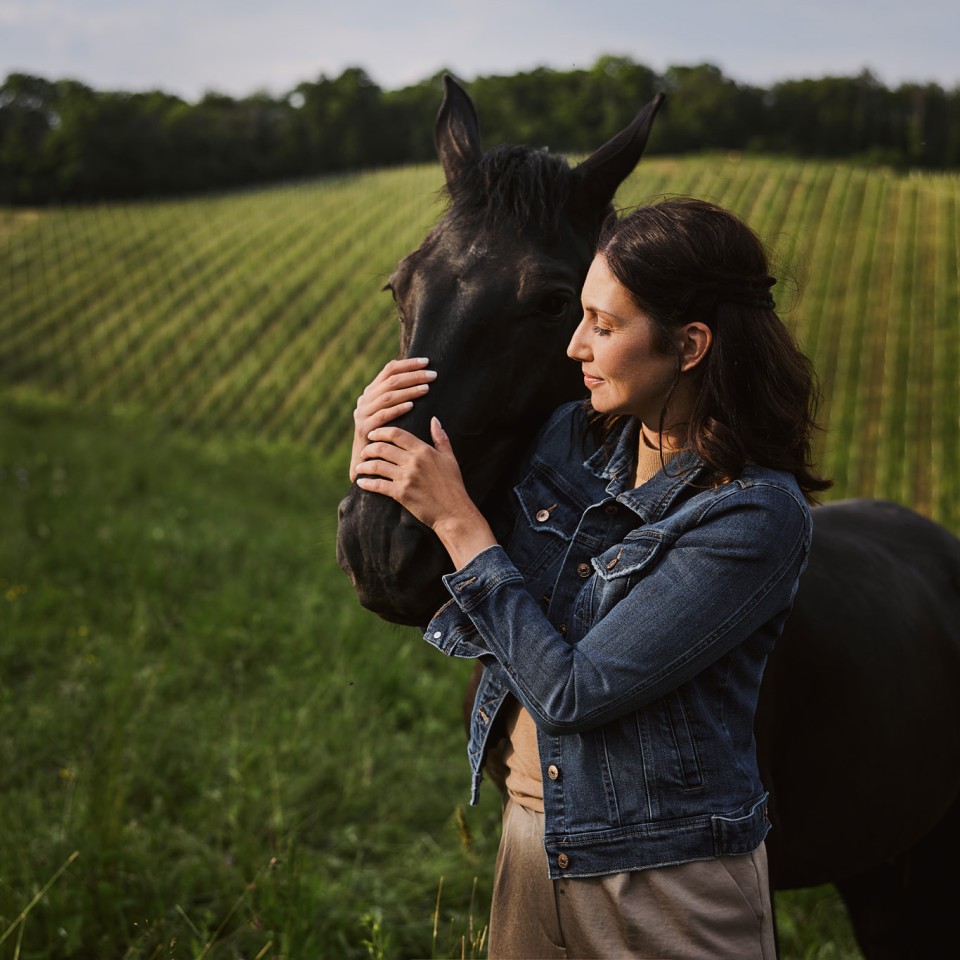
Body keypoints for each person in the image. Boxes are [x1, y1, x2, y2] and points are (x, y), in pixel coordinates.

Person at [351, 197, 831, 959]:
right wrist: (384, 457)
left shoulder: (751, 517)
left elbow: (575, 691)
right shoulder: (572, 441)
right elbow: (473, 594)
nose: (576, 346)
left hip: (664, 880)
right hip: (532, 838)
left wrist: (458, 522)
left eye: (604, 326)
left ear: (690, 343)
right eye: (580, 316)